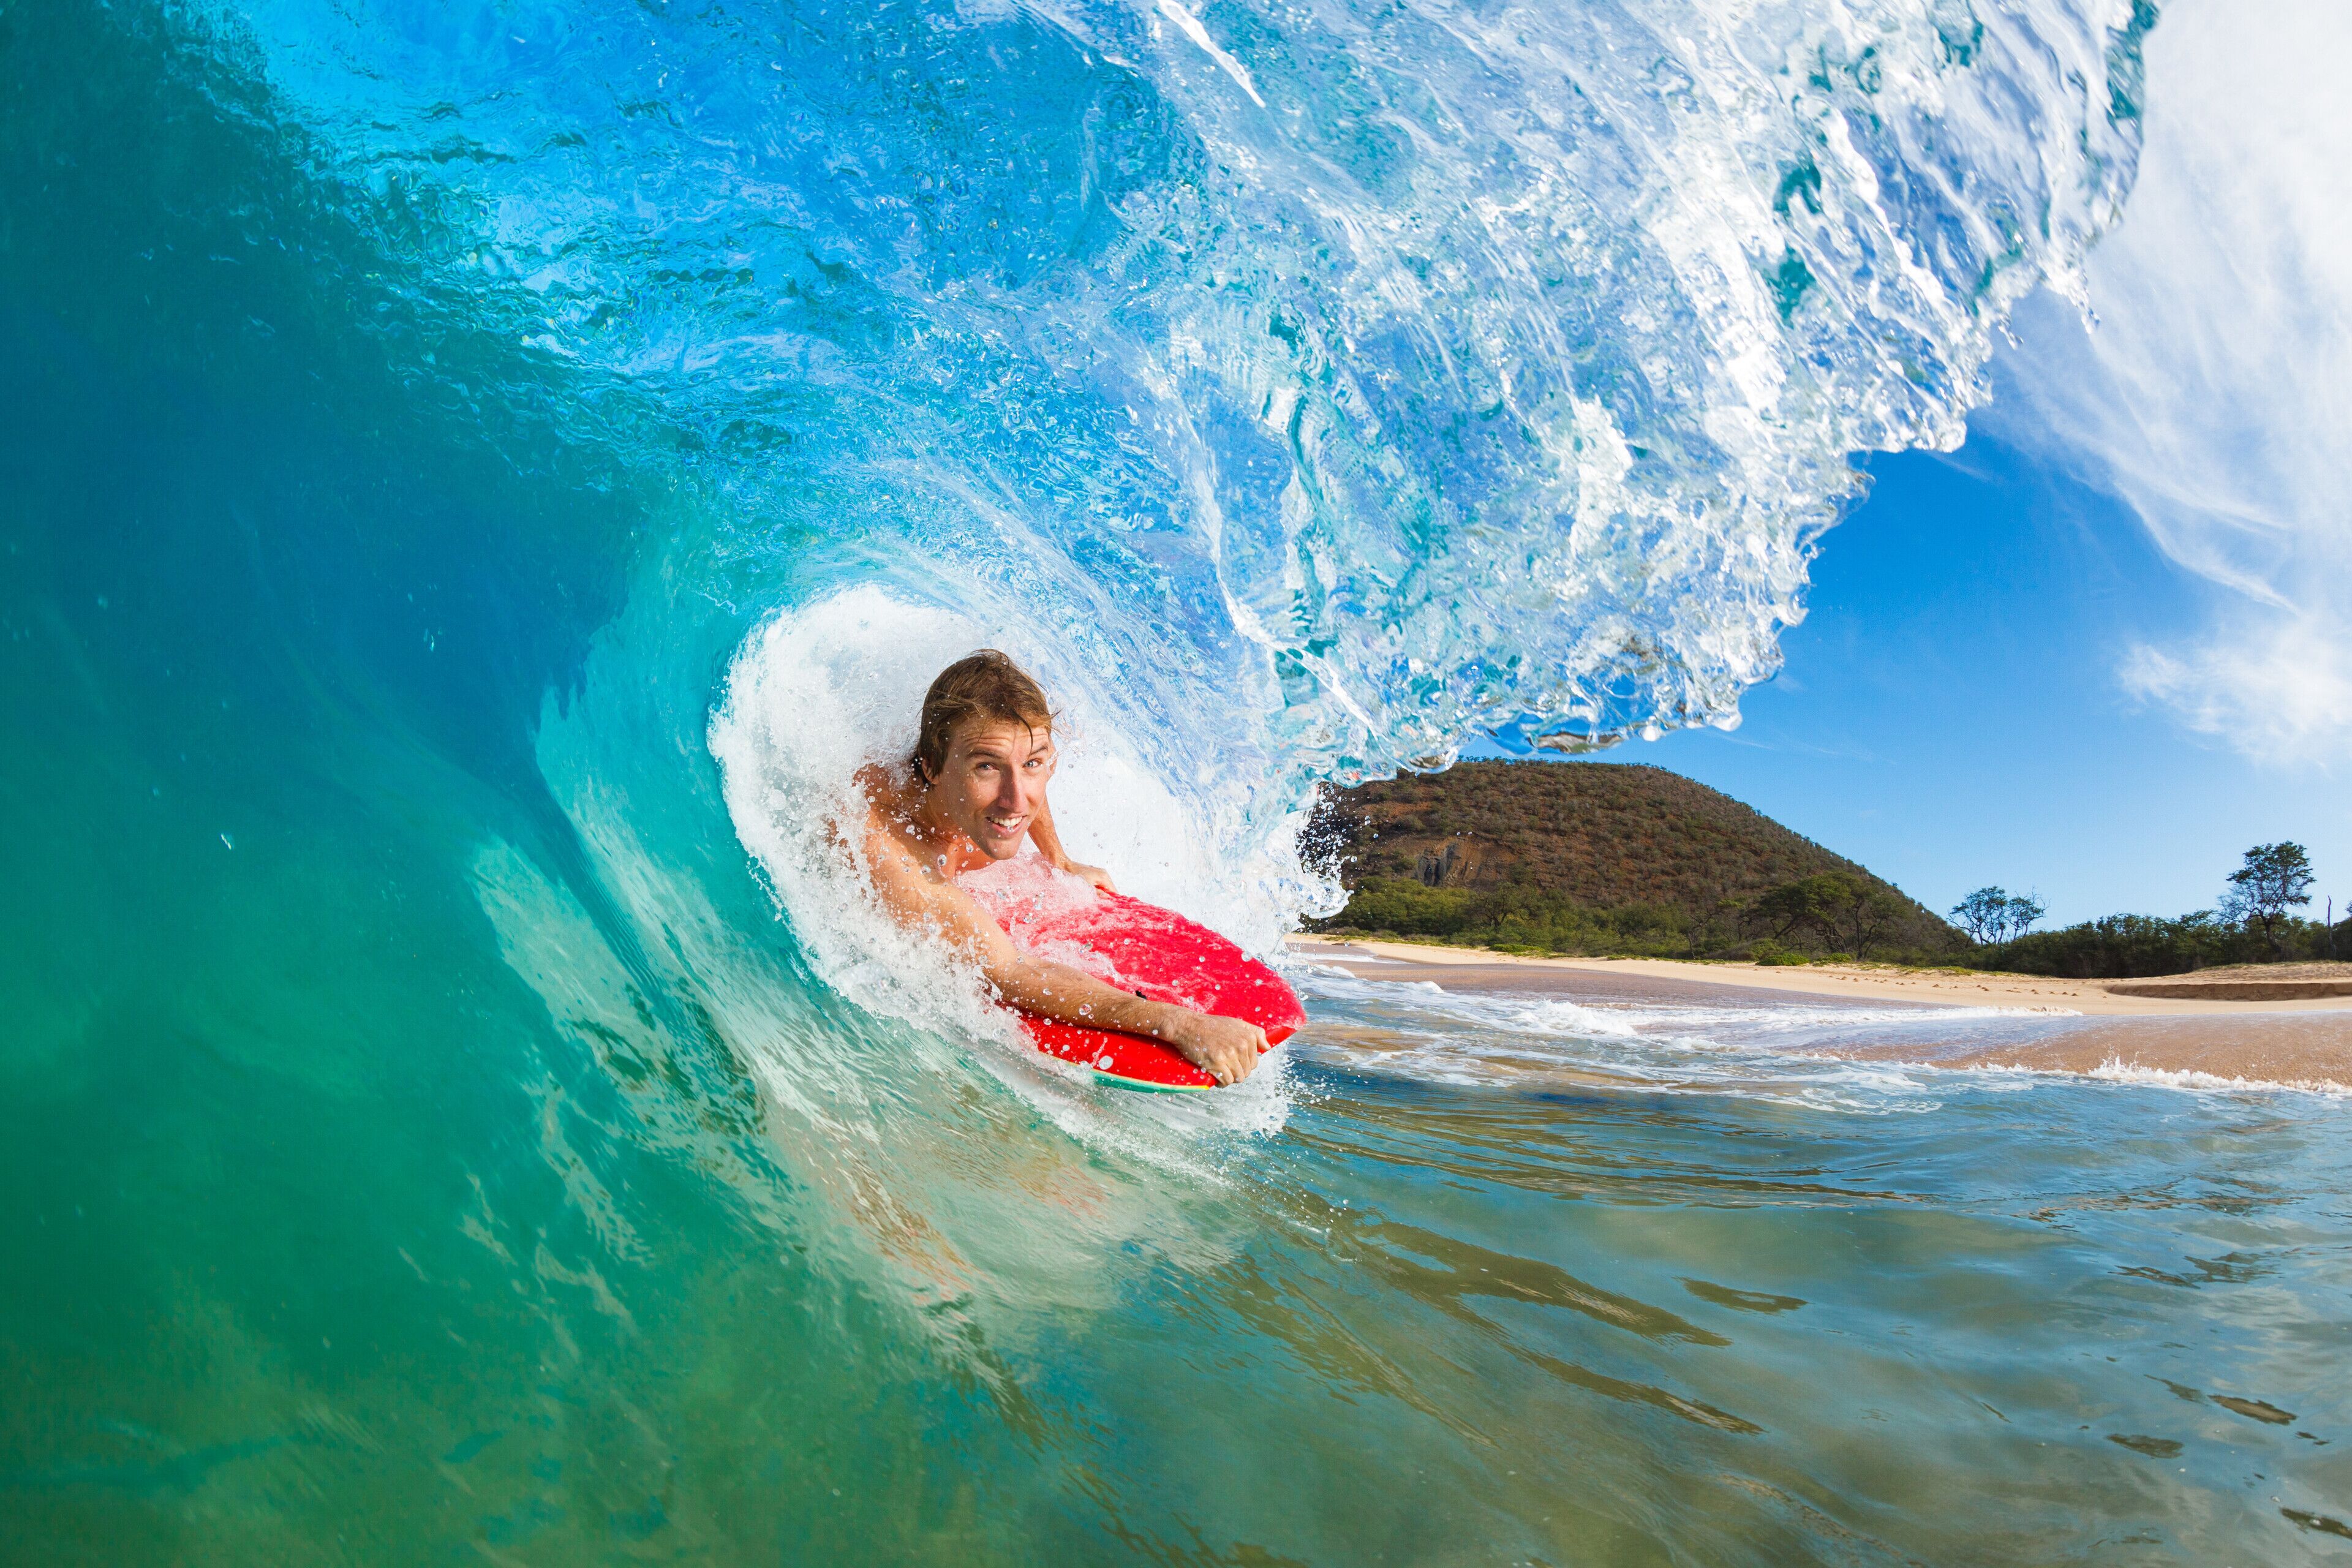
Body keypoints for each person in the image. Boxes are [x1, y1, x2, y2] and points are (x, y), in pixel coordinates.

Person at [850, 650, 1268, 1085]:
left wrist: (1059, 859)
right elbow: (1010, 971)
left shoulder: (986, 785)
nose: (1016, 799)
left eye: (1033, 763)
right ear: (932, 767)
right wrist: (1177, 1022)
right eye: (986, 767)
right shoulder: (892, 849)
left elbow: (1016, 776)